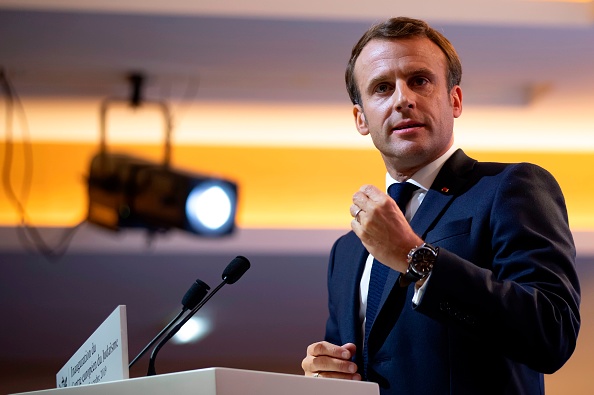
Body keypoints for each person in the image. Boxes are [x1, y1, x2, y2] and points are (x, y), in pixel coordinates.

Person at [301, 16, 580, 395]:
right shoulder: (347, 251)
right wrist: (327, 375)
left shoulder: (510, 188)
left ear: (455, 100)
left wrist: (414, 257)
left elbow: (553, 332)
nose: (403, 99)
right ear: (361, 118)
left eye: (420, 80)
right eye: (382, 88)